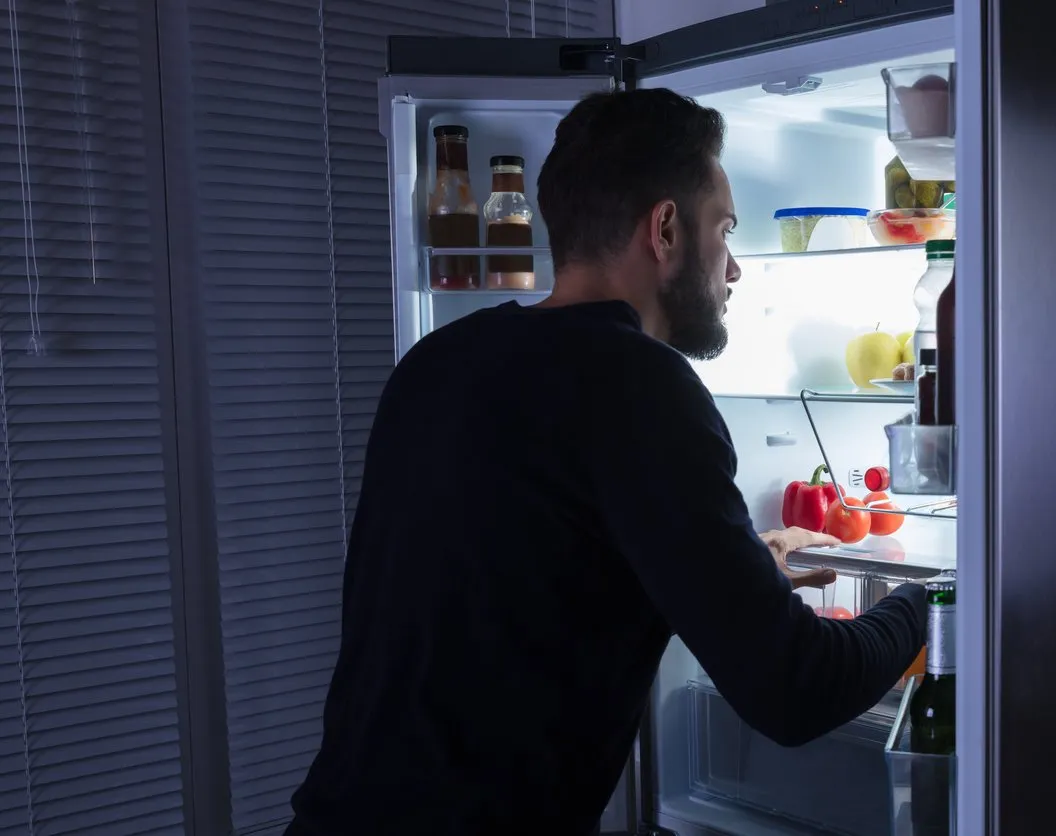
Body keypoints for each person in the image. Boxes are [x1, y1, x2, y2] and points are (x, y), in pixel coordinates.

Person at [285, 88, 926, 836]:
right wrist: (933, 602)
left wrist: (740, 561)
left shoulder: (438, 362)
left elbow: (532, 568)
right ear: (664, 229)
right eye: (724, 229)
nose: (734, 269)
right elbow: (796, 689)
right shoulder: (642, 386)